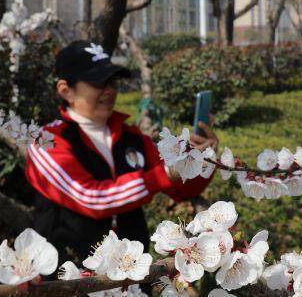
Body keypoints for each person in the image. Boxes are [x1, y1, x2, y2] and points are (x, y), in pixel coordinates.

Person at [25, 40, 219, 264]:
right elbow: (92, 200)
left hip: (131, 273)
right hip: (71, 276)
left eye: (112, 81)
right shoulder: (47, 141)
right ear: (66, 90)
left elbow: (183, 189)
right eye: (98, 82)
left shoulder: (132, 137)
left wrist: (203, 159)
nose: (109, 91)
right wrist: (163, 174)